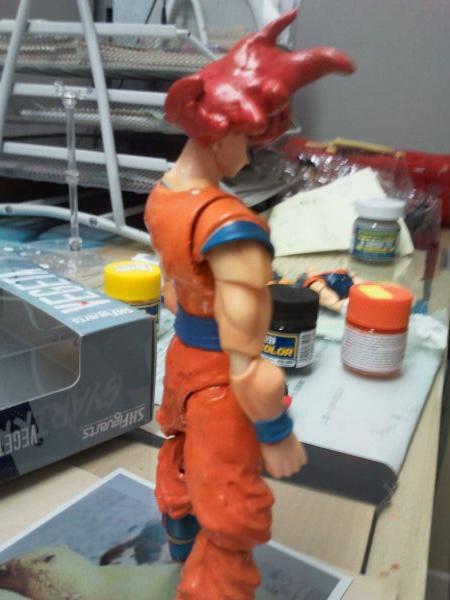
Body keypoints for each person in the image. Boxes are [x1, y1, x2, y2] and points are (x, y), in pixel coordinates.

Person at [145, 10, 355, 599]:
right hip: (219, 383)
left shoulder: (163, 196)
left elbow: (172, 290)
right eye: (252, 141)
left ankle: (180, 552)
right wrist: (278, 432)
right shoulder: (230, 229)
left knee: (181, 460)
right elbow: (247, 361)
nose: (252, 156)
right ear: (225, 131)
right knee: (232, 514)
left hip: (181, 363)